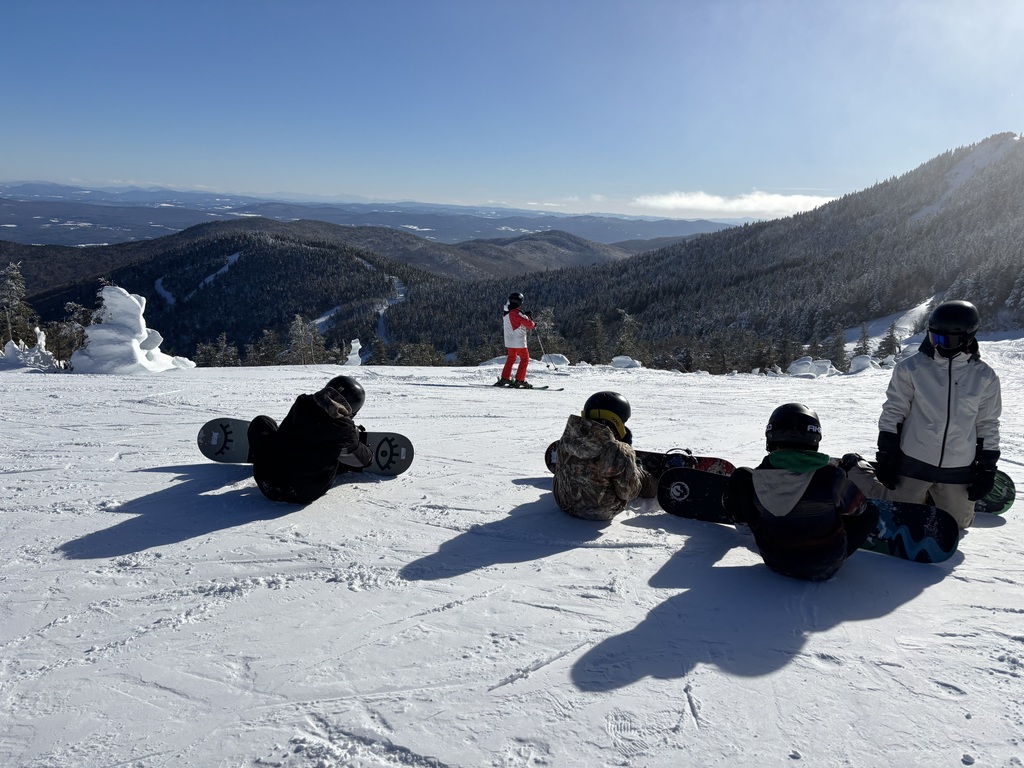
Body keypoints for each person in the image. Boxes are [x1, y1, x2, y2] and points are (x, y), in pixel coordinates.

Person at [874, 299, 1002, 529]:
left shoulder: (984, 377)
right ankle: (862, 473)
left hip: (958, 465)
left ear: (967, 338)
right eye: (934, 337)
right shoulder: (911, 368)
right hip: (913, 460)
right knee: (898, 519)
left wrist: (986, 468)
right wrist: (886, 455)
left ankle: (934, 496)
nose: (938, 344)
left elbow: (987, 424)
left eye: (947, 339)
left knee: (958, 525)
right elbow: (893, 412)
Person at [724, 403, 879, 582]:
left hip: (773, 560)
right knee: (869, 512)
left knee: (743, 475)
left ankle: (744, 523)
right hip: (824, 566)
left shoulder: (760, 475)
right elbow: (859, 508)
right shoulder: (830, 476)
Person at [246, 375, 374, 504]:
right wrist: (367, 454)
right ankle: (338, 464)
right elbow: (359, 460)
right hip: (301, 493)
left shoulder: (302, 403)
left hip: (265, 481)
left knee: (262, 422)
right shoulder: (343, 429)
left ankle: (259, 455)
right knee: (336, 456)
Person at [552, 391, 653, 520]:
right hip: (599, 511)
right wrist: (627, 453)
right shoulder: (618, 450)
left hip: (562, 501)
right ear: (614, 421)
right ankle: (647, 477)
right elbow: (629, 493)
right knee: (642, 479)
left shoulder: (568, 437)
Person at [495, 291, 537, 388]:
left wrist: (524, 315)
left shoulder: (506, 311)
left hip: (509, 341)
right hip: (519, 341)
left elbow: (515, 318)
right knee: (525, 359)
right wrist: (532, 322)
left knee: (511, 358)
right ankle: (520, 380)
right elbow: (530, 325)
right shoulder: (518, 313)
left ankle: (505, 378)